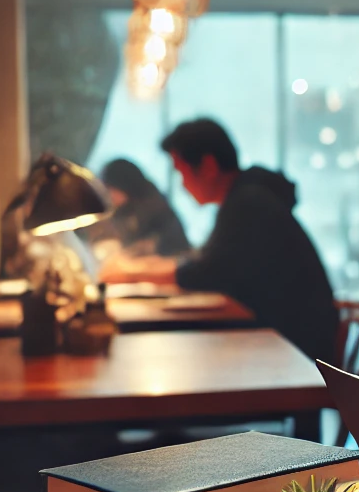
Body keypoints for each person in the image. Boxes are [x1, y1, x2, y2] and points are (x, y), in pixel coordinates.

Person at [99, 119, 340, 365]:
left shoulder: (249, 204)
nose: (182, 185)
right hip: (285, 347)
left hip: (294, 359)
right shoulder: (247, 198)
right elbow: (205, 262)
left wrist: (133, 272)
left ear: (208, 166)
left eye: (181, 172)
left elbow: (205, 272)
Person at [91, 159, 191, 257]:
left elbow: (172, 245)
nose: (109, 197)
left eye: (110, 190)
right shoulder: (123, 208)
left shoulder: (153, 206)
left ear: (123, 186)